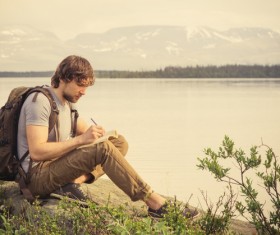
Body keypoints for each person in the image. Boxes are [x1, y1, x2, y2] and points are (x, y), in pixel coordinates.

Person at [17, 55, 198, 218]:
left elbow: (89, 133)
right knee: (103, 149)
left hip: (55, 169)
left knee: (118, 143)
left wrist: (98, 134)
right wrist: (82, 140)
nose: (83, 92)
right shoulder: (40, 102)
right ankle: (156, 204)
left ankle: (72, 184)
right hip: (35, 178)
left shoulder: (67, 105)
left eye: (86, 87)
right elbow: (37, 151)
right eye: (80, 85)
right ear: (64, 78)